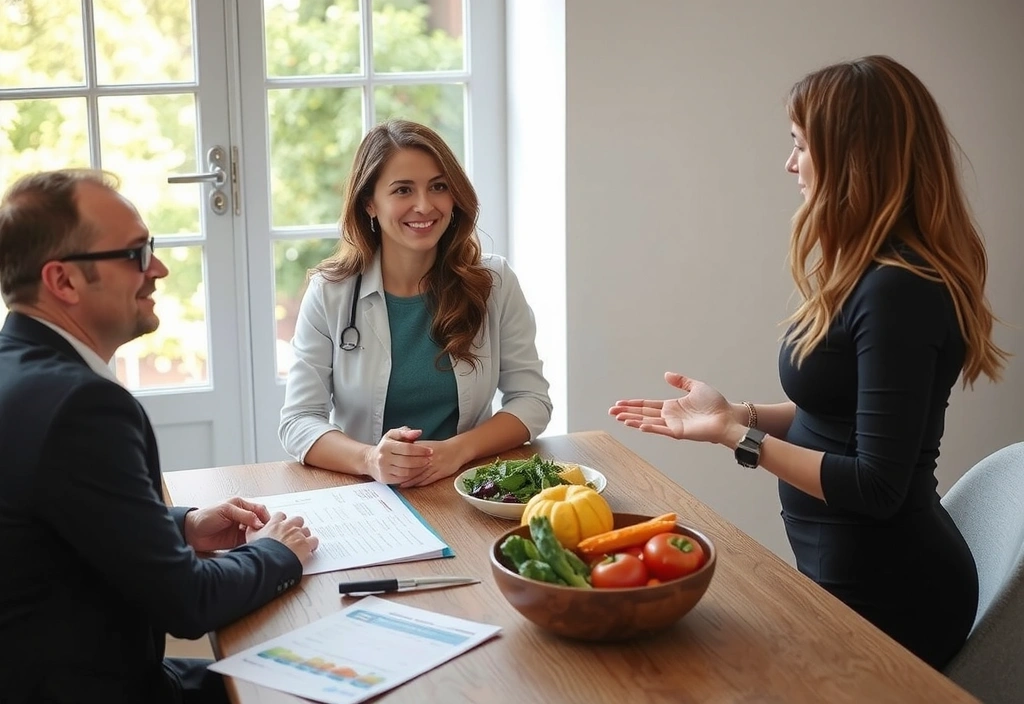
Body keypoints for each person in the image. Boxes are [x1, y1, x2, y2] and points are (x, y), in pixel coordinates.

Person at [610, 55, 1007, 670]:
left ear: (854, 157)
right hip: (844, 574)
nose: (789, 163)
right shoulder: (869, 272)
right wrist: (737, 413)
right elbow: (839, 415)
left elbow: (877, 486)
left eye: (801, 145)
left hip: (893, 598)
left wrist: (738, 439)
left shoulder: (899, 290)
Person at [0, 169, 320, 703]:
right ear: (63, 282)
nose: (159, 269)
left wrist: (182, 526)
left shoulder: (19, 370)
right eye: (135, 254)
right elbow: (188, 604)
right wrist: (276, 552)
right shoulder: (83, 407)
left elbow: (59, 519)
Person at [279, 119, 552, 487]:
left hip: (468, 484)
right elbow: (298, 420)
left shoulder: (493, 282)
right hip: (366, 490)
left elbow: (532, 401)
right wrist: (370, 459)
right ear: (370, 204)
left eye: (438, 187)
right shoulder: (331, 292)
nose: (424, 206)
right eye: (403, 190)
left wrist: (458, 450)